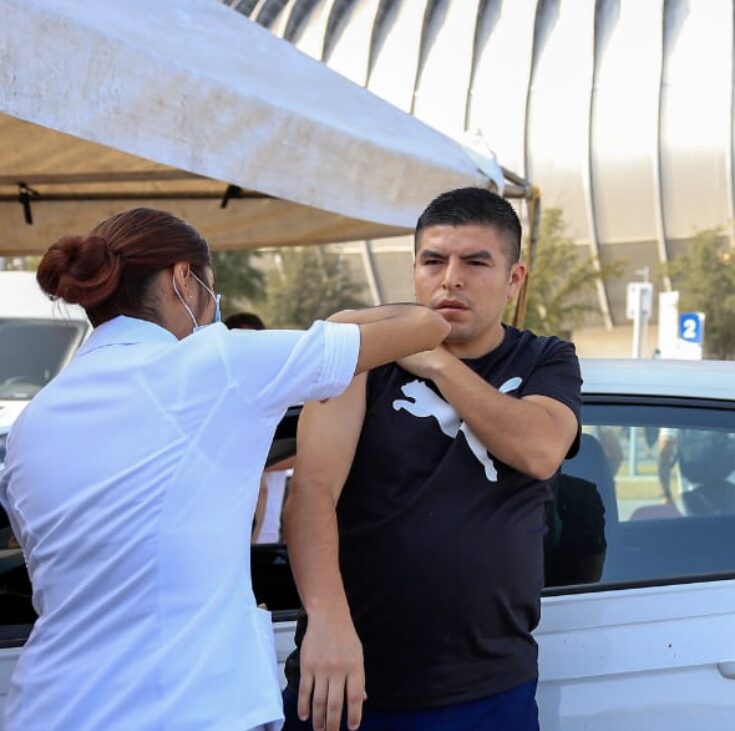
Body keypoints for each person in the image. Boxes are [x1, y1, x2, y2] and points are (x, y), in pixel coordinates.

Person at [1, 207, 448, 731]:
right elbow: (425, 324)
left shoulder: (34, 421)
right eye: (213, 292)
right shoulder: (217, 366)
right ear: (182, 280)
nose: (215, 310)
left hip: (48, 709)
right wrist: (336, 327)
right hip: (188, 710)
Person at [284, 188, 582, 731]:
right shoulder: (361, 358)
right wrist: (327, 622)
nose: (451, 279)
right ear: (414, 270)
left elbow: (539, 450)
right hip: (346, 680)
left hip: (486, 687)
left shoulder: (546, 358)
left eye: (475, 262)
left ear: (515, 279)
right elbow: (312, 490)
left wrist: (438, 364)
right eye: (434, 261)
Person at [656, 426, 735, 515]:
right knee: (729, 528)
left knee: (697, 528)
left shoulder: (676, 412)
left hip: (691, 488)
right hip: (729, 482)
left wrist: (666, 494)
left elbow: (664, 453)